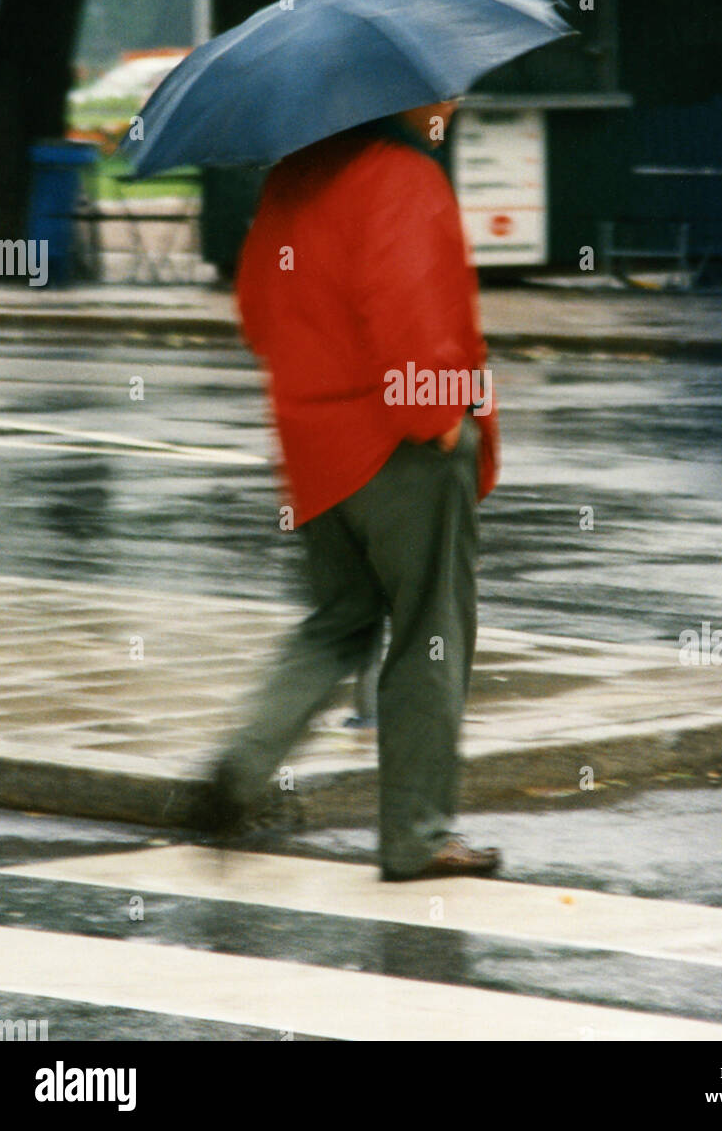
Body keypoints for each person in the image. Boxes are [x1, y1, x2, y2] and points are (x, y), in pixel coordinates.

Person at [193, 100, 501, 881]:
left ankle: (242, 762)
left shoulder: (293, 180)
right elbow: (410, 306)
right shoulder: (404, 177)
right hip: (400, 445)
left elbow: (257, 309)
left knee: (338, 620)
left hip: (313, 451)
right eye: (444, 89)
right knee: (432, 628)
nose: (453, 103)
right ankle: (417, 836)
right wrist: (436, 417)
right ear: (404, 97)